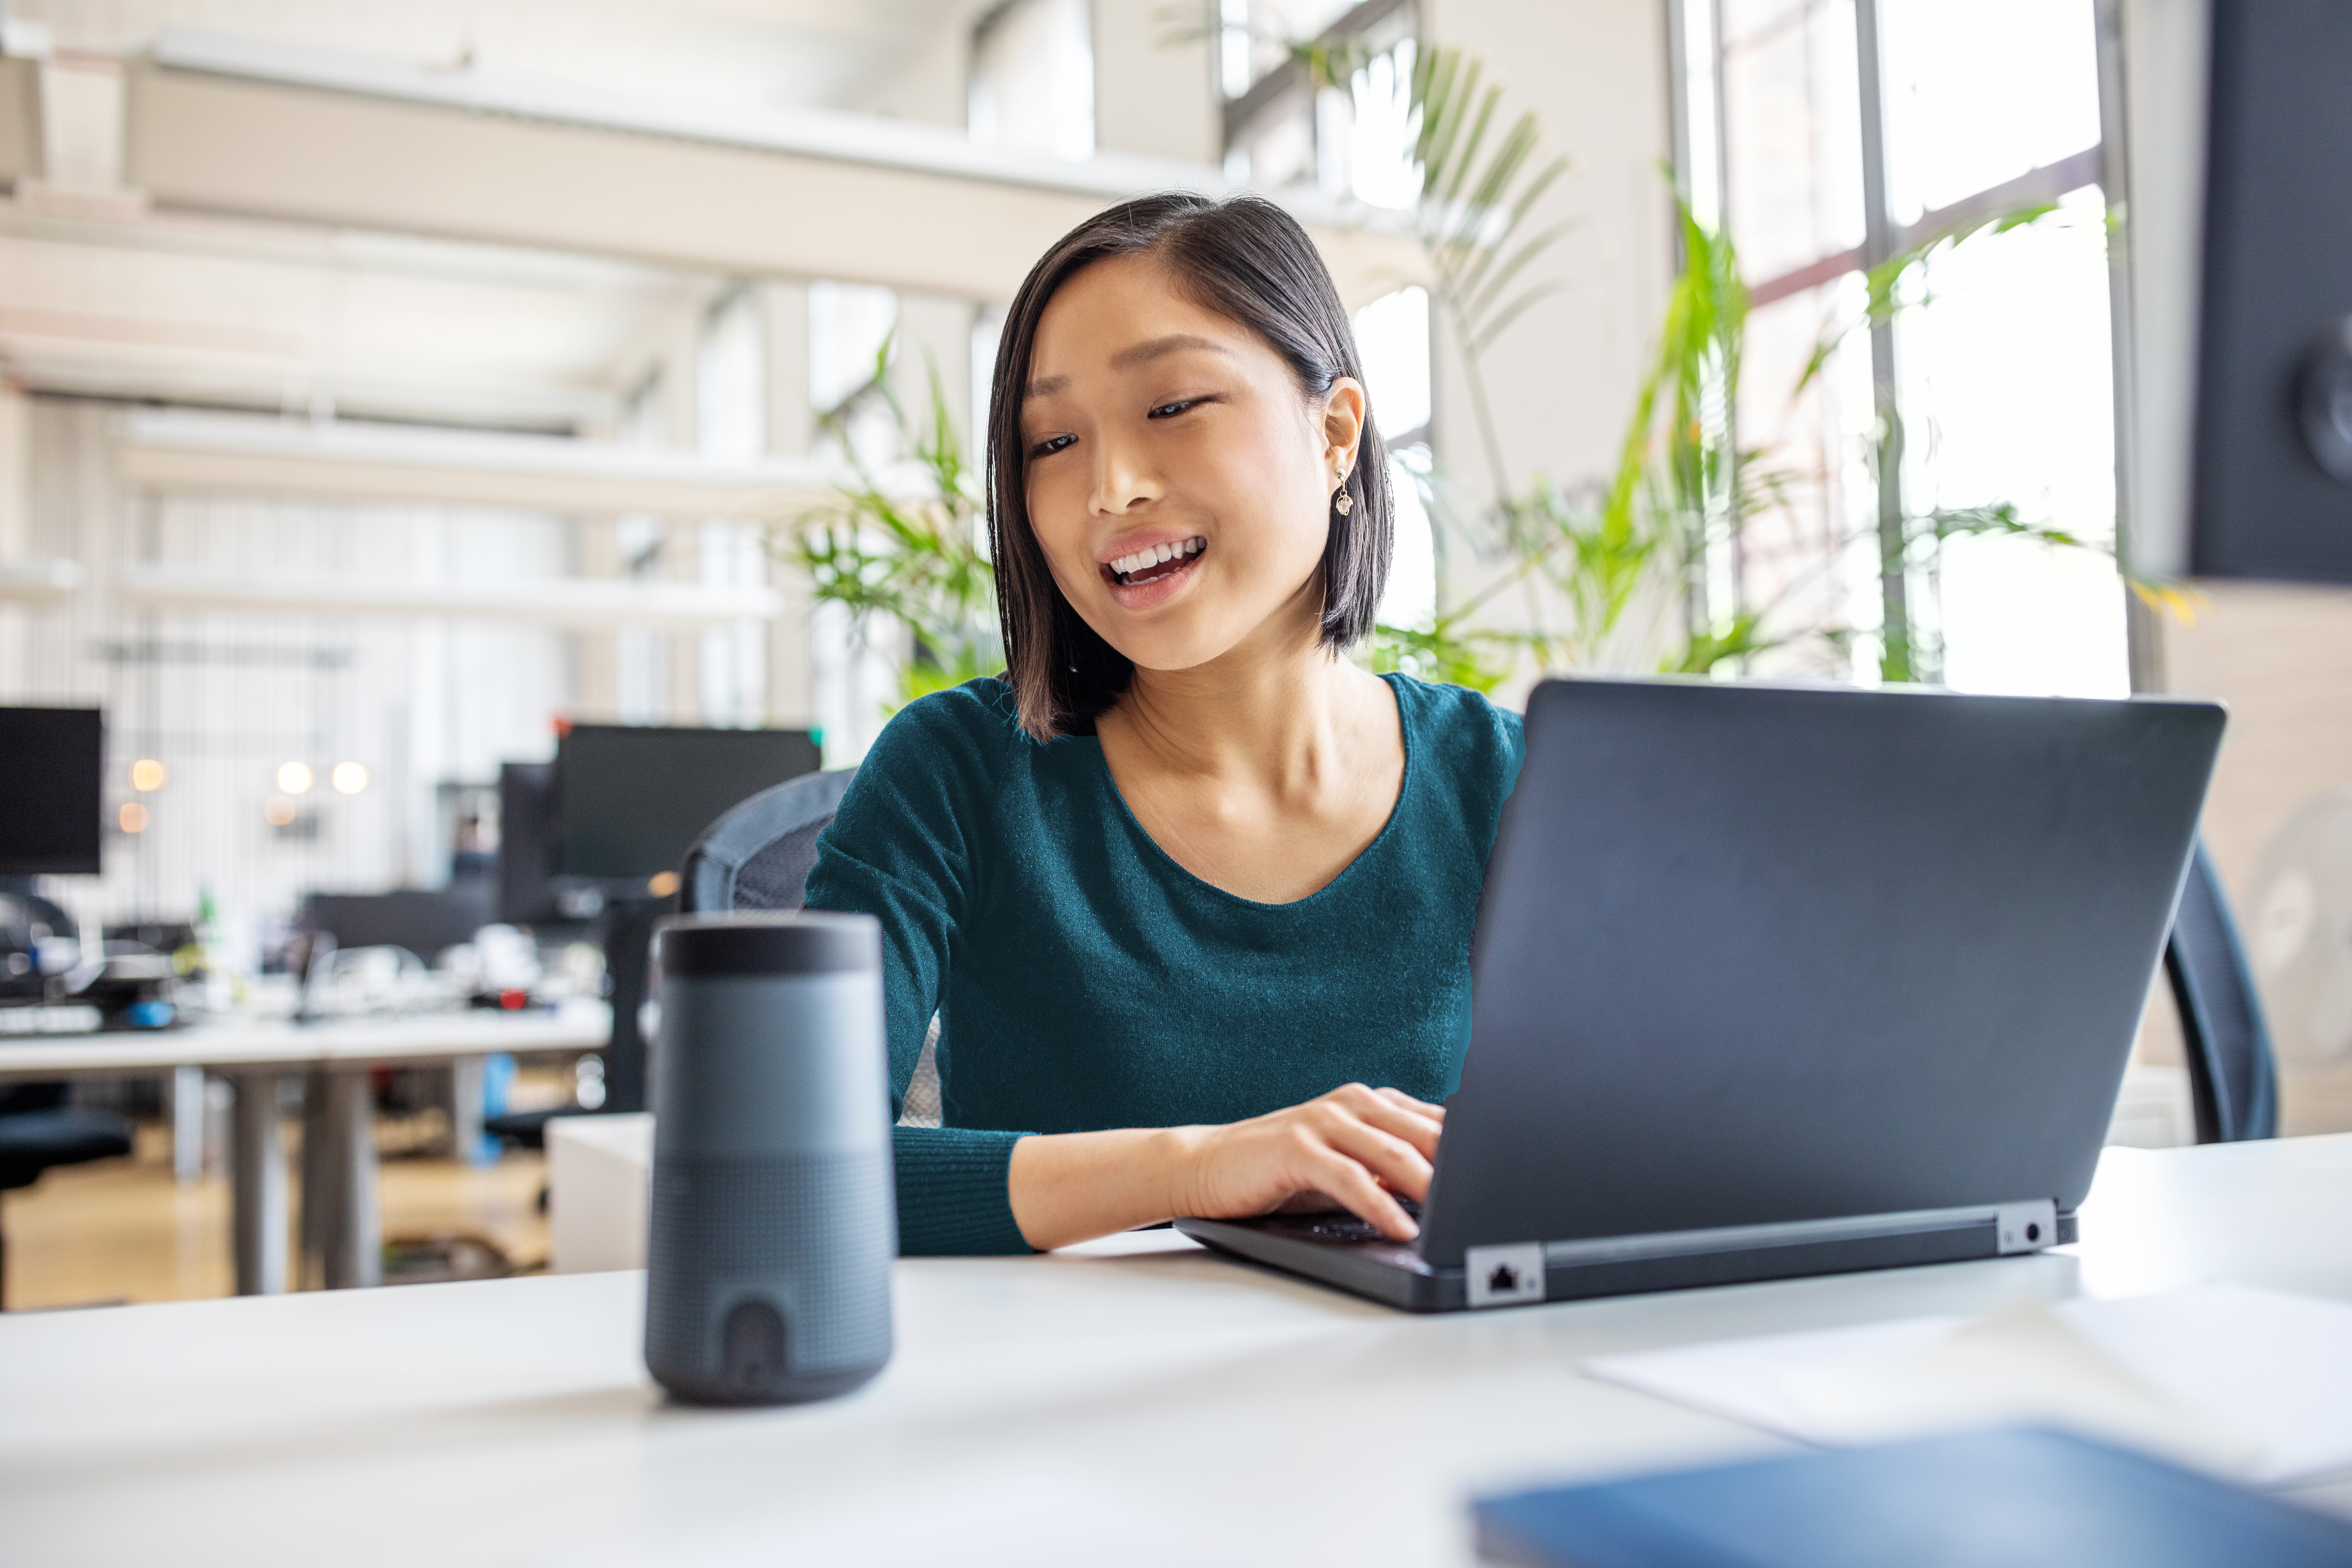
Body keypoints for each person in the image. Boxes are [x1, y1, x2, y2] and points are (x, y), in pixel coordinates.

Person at [803, 192, 1524, 1254]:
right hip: (1079, 1401)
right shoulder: (955, 775)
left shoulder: (1504, 779)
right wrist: (1198, 1168)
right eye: (1051, 440)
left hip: (1451, 1388)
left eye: (1174, 406)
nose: (1110, 487)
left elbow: (1662, 1127)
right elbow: (789, 1166)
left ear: (1334, 434)